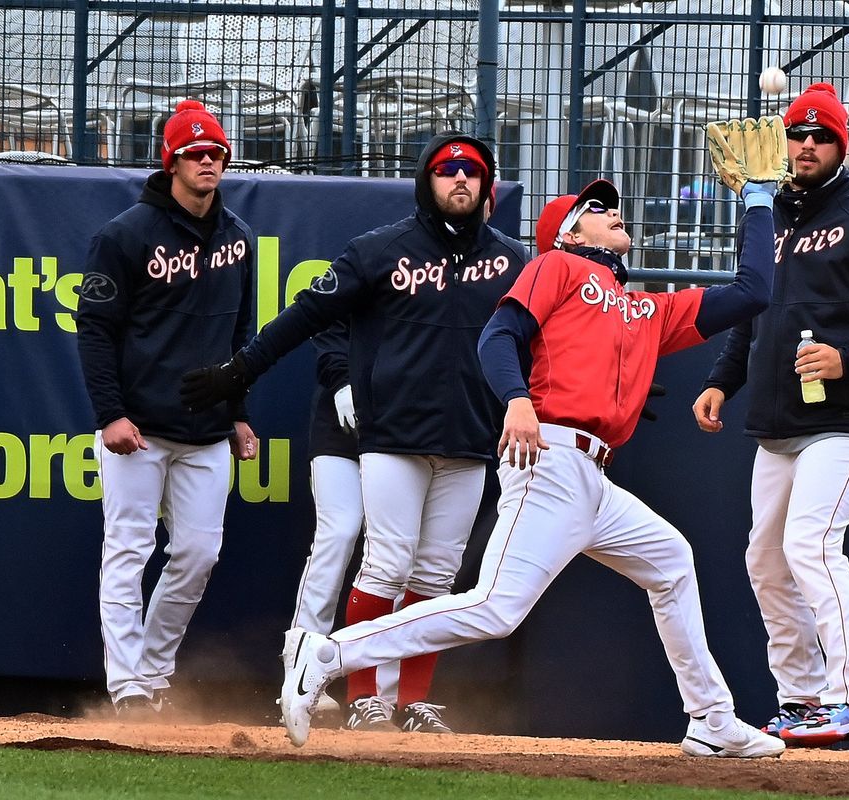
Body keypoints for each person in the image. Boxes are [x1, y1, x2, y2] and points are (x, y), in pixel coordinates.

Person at [277, 172, 785, 758]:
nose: (613, 212)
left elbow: (752, 292)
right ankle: (328, 654)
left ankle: (712, 720)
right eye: (596, 208)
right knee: (495, 607)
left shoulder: (647, 307)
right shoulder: (557, 266)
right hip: (549, 460)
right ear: (568, 231)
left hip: (594, 479)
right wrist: (518, 400)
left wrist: (758, 201)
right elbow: (499, 335)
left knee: (672, 562)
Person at [181, 132, 529, 734]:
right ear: (427, 182)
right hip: (393, 436)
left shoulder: (515, 261)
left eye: (471, 171)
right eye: (446, 171)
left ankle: (415, 701)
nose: (459, 180)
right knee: (386, 565)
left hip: (471, 440)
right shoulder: (380, 250)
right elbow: (304, 317)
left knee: (437, 580)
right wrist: (241, 369)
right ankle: (367, 698)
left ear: (487, 185)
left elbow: (551, 334)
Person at [694, 83, 849, 747]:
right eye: (797, 134)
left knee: (810, 543)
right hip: (778, 421)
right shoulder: (770, 219)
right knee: (766, 559)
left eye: (820, 135)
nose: (806, 144)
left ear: (841, 146)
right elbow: (753, 312)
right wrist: (722, 380)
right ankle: (802, 698)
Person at [76, 99, 259, 716]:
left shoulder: (239, 238)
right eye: (195, 153)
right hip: (140, 427)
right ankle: (128, 685)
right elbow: (95, 331)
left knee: (199, 554)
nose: (208, 162)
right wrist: (109, 413)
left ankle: (153, 672)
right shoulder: (124, 235)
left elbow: (241, 335)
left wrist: (238, 412)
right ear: (171, 162)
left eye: (217, 153)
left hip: (207, 430)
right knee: (127, 550)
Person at [286, 320, 364, 719]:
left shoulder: (436, 270)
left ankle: (377, 692)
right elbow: (329, 332)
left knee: (395, 551)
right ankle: (300, 668)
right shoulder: (359, 265)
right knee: (340, 530)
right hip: (339, 428)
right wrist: (342, 382)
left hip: (406, 430)